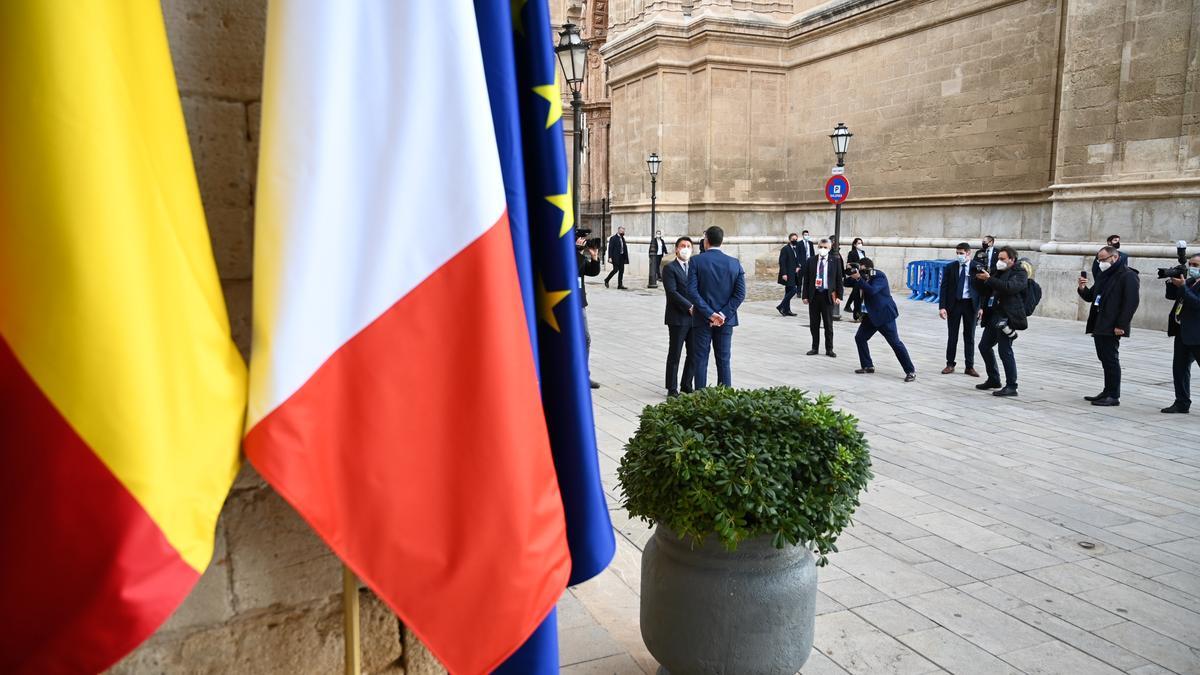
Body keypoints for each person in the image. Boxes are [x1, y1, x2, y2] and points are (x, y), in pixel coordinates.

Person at [1077, 246, 1140, 407]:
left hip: (1113, 325)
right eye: (1099, 259)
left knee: (1111, 359)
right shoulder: (1104, 275)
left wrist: (1121, 325)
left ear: (1114, 257)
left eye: (1103, 259)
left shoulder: (1128, 276)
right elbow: (1091, 296)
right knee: (1104, 358)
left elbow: (1131, 303)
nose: (1101, 262)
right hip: (1100, 323)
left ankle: (1113, 395)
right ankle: (1107, 390)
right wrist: (1082, 288)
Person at [686, 226, 745, 388]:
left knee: (701, 360)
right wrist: (723, 314)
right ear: (722, 241)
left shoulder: (696, 260)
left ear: (706, 241)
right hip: (726, 321)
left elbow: (691, 291)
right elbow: (739, 294)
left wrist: (711, 314)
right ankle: (724, 398)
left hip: (702, 319)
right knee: (724, 361)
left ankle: (700, 397)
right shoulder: (734, 263)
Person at [846, 258, 916, 381]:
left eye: (862, 270)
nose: (860, 273)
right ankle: (867, 366)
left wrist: (858, 278)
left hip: (884, 315)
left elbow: (872, 291)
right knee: (860, 338)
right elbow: (845, 283)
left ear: (867, 268)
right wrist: (848, 271)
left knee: (895, 343)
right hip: (870, 316)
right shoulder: (860, 277)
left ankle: (910, 371)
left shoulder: (879, 276)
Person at [975, 246, 1026, 397]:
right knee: (984, 346)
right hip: (994, 316)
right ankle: (993, 378)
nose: (1000, 261)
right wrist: (979, 279)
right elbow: (986, 291)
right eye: (998, 259)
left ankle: (1012, 386)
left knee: (1005, 351)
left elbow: (1010, 288)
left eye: (1003, 259)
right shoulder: (998, 271)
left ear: (1012, 259)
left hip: (1007, 317)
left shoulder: (1019, 272)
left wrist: (990, 279)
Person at [1162, 252, 1200, 413]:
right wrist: (1172, 281)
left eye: (1195, 265)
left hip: (1198, 334)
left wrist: (1183, 287)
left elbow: (1197, 303)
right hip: (1183, 332)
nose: (1191, 268)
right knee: (1180, 369)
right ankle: (1181, 402)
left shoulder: (1189, 284)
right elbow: (1172, 296)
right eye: (1190, 264)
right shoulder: (1190, 281)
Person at [938, 242, 982, 376]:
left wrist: (981, 307)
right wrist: (942, 307)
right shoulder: (951, 267)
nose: (959, 256)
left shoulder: (977, 268)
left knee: (969, 336)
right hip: (954, 304)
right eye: (957, 253)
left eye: (961, 253)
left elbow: (983, 289)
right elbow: (944, 287)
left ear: (968, 253)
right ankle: (950, 364)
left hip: (971, 305)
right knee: (953, 335)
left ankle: (969, 366)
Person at [661, 236, 696, 397]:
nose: (686, 248)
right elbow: (672, 292)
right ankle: (672, 387)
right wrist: (689, 306)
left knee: (693, 352)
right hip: (677, 317)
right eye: (683, 245)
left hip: (695, 318)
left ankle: (687, 384)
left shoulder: (695, 267)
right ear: (676, 249)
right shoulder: (670, 268)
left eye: (689, 246)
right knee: (675, 353)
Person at [802, 238, 843, 357]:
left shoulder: (835, 261)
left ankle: (829, 349)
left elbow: (838, 279)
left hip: (827, 295)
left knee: (828, 324)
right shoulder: (811, 260)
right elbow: (807, 280)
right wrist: (805, 295)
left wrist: (839, 296)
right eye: (821, 247)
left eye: (825, 247)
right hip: (814, 295)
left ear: (829, 248)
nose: (822, 249)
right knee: (814, 324)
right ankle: (814, 347)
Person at [576, 235, 602, 388]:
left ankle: (584, 375)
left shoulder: (578, 256)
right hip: (567, 303)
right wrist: (577, 252)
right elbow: (571, 270)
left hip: (580, 303)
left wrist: (594, 257)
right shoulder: (567, 255)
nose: (583, 242)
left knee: (585, 339)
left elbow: (592, 272)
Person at [776, 233, 803, 316]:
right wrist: (784, 274)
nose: (795, 240)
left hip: (794, 273)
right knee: (793, 290)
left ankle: (787, 310)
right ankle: (781, 306)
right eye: (793, 239)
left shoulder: (795, 249)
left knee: (788, 292)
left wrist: (798, 266)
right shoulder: (785, 249)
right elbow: (782, 262)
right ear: (790, 239)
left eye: (796, 239)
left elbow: (797, 259)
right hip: (787, 274)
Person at [843, 237, 866, 320]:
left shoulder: (863, 252)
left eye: (861, 243)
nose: (860, 245)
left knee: (857, 289)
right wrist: (857, 266)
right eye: (858, 243)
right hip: (855, 274)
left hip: (862, 274)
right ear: (855, 244)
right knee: (857, 288)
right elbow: (849, 264)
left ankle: (848, 306)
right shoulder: (852, 253)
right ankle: (856, 311)